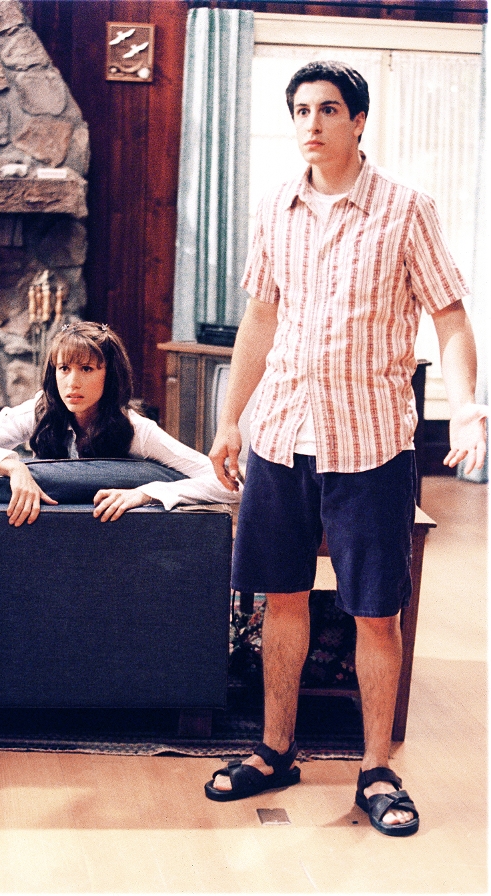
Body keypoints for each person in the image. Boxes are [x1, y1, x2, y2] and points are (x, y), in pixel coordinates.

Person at [204, 60, 487, 836]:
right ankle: (275, 750)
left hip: (370, 444)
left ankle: (376, 770)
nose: (312, 123)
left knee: (374, 612)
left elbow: (449, 317)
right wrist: (230, 420)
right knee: (281, 597)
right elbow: (260, 319)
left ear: (357, 121)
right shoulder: (276, 206)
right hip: (280, 434)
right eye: (301, 110)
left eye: (328, 109)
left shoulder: (405, 209)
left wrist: (466, 406)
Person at [0, 321, 240, 525]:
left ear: (109, 375)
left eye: (87, 369)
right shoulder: (40, 410)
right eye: (64, 368)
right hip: (45, 530)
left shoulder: (136, 430)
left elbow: (233, 486)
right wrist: (13, 468)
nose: (72, 382)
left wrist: (147, 492)